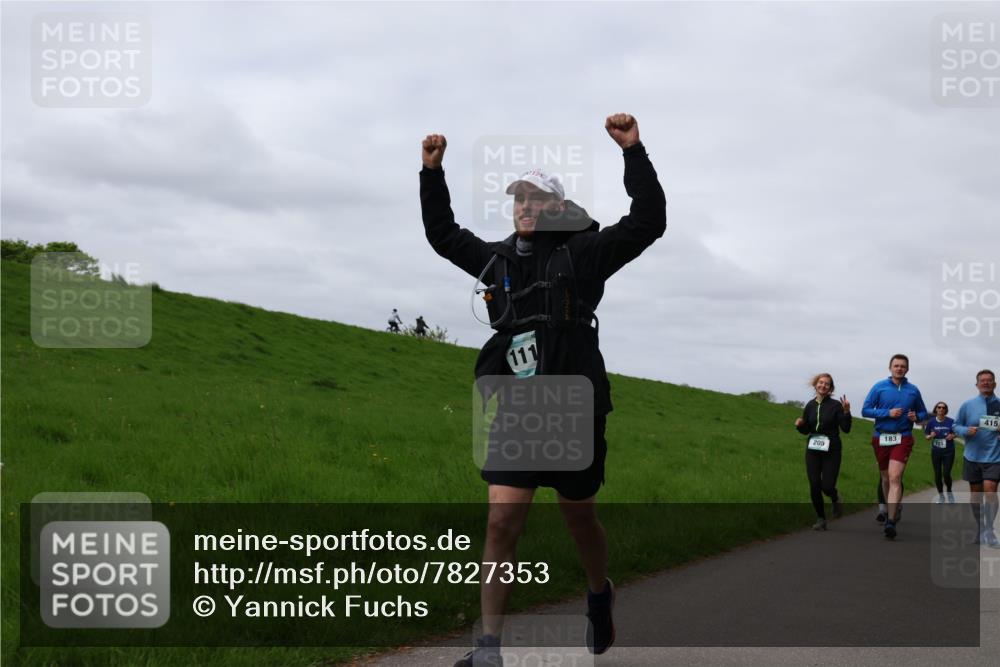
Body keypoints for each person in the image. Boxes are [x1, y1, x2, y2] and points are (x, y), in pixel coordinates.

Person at [420, 114, 666, 666]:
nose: (525, 206)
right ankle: (488, 649)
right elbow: (443, 234)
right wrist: (432, 173)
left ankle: (599, 593)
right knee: (501, 521)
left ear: (556, 207)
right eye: (518, 199)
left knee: (579, 518)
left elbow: (649, 221)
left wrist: (633, 151)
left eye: (535, 199)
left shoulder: (585, 252)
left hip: (574, 406)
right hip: (518, 408)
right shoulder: (498, 261)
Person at [861, 354, 928, 540]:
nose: (899, 368)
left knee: (895, 476)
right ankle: (893, 508)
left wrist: (917, 417)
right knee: (885, 479)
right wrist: (887, 413)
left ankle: (890, 522)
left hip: (903, 437)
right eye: (896, 365)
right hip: (881, 437)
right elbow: (865, 410)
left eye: (902, 366)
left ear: (907, 369)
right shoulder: (879, 387)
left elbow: (923, 412)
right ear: (890, 368)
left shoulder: (913, 390)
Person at [795, 373, 851, 530]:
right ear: (815, 385)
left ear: (830, 388)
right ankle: (820, 518)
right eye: (821, 382)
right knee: (814, 484)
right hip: (813, 449)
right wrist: (800, 425)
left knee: (827, 486)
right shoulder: (809, 405)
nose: (823, 385)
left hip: (832, 450)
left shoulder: (836, 405)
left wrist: (846, 412)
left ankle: (835, 497)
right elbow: (807, 430)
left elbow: (846, 429)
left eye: (827, 384)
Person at [952, 369, 1000, 547]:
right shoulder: (968, 405)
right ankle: (980, 528)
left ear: (995, 384)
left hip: (995, 457)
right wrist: (966, 430)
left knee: (991, 492)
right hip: (972, 457)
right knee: (976, 496)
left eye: (989, 380)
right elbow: (955, 426)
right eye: (982, 380)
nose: (986, 383)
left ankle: (989, 530)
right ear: (977, 385)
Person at [924, 401, 957, 503]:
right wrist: (930, 436)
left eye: (943, 407)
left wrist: (953, 435)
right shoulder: (931, 422)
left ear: (946, 410)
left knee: (946, 474)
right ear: (936, 409)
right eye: (939, 407)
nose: (941, 409)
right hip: (936, 452)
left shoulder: (951, 421)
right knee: (937, 475)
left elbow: (957, 432)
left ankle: (949, 492)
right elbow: (926, 436)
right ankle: (941, 496)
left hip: (949, 451)